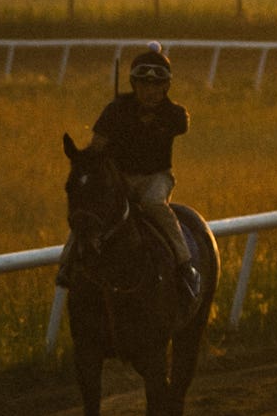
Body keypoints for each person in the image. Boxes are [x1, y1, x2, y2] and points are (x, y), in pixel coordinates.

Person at [65, 45, 199, 298]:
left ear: (166, 87)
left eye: (157, 85)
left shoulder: (175, 115)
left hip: (156, 178)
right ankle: (68, 264)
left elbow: (180, 124)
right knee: (91, 210)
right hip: (120, 178)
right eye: (144, 85)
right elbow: (96, 148)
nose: (150, 92)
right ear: (134, 85)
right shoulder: (115, 111)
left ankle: (185, 265)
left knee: (153, 204)